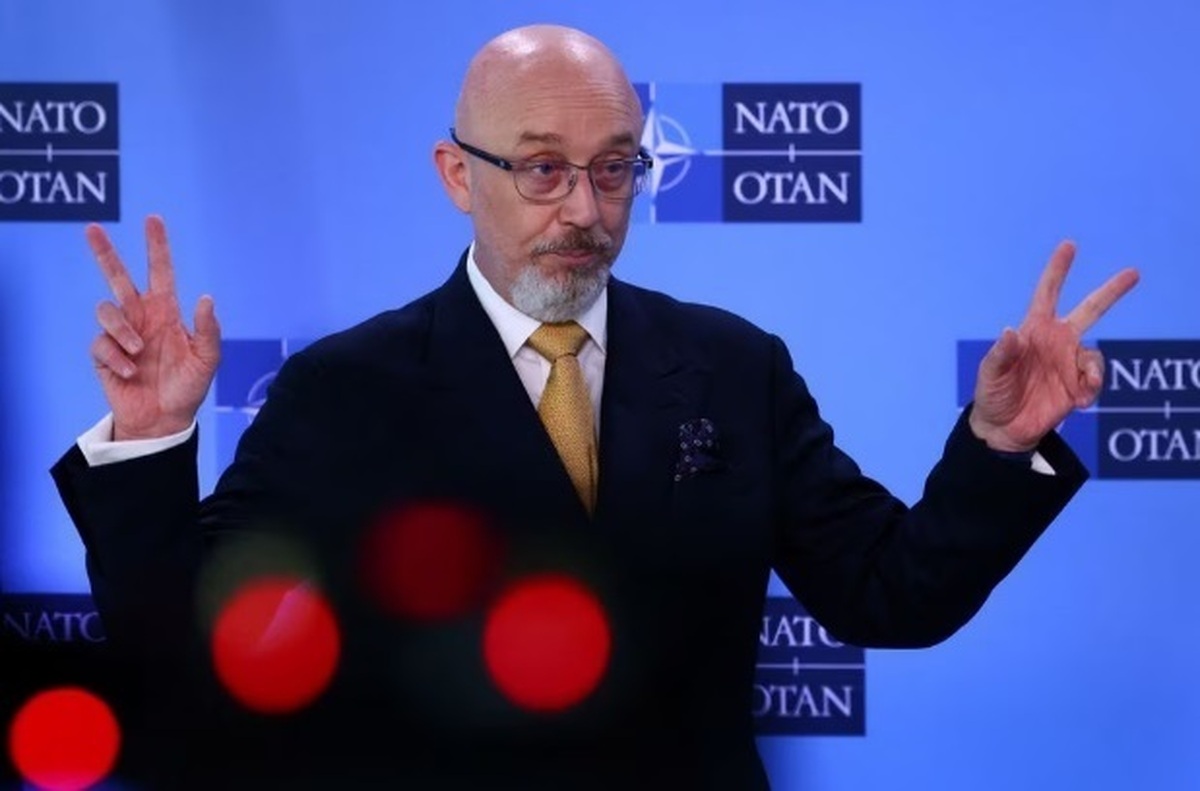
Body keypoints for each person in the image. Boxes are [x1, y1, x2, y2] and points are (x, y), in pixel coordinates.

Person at [51, 23, 1138, 791]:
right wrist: (151, 438)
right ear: (456, 174)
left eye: (615, 170)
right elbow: (189, 646)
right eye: (542, 170)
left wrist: (1000, 444)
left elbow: (889, 594)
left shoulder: (733, 365)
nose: (584, 209)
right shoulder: (345, 387)